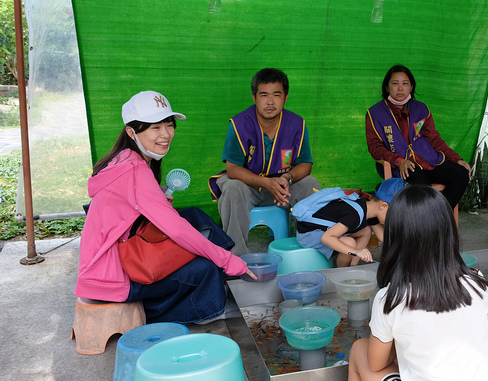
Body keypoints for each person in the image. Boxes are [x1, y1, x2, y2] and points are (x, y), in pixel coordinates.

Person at [75, 91, 255, 325]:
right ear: (132, 132)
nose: (166, 134)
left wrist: (155, 198)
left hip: (111, 264)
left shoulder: (124, 158)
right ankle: (196, 307)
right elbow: (177, 231)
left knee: (193, 216)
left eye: (169, 125)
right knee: (207, 267)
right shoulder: (135, 170)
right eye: (155, 128)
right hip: (113, 280)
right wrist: (227, 261)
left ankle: (223, 275)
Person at [348, 185, 488, 381]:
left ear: (395, 238)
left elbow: (376, 364)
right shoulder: (475, 281)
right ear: (448, 234)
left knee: (359, 349)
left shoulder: (391, 298)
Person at [210, 68, 320, 255]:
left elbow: (305, 164)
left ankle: (311, 249)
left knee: (311, 184)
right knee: (231, 188)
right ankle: (236, 259)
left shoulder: (297, 124)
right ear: (254, 97)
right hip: (248, 187)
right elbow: (233, 169)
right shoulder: (239, 124)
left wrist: (288, 177)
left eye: (276, 95)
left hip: (282, 186)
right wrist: (265, 182)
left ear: (285, 97)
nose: (270, 101)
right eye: (264, 95)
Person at [365, 65, 471, 214]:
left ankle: (439, 217)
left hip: (428, 161)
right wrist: (398, 161)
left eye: (405, 83)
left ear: (411, 86)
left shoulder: (421, 109)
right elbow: (375, 147)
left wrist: (456, 159)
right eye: (395, 83)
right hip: (401, 165)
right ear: (387, 87)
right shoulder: (374, 113)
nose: (400, 88)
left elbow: (434, 139)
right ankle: (433, 222)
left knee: (461, 173)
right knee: (422, 187)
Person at [294, 178, 403, 268]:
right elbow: (327, 238)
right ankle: (342, 272)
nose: (395, 217)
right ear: (383, 206)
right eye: (395, 213)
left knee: (366, 231)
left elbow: (384, 237)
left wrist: (404, 249)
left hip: (326, 230)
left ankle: (352, 267)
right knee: (349, 242)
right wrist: (355, 251)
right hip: (309, 233)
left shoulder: (368, 208)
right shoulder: (354, 214)